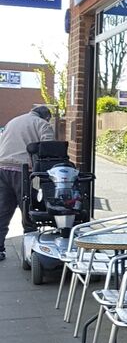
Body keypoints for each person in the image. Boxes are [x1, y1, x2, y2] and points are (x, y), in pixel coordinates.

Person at [0, 104, 54, 260]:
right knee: (29, 209)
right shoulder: (42, 124)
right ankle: (30, 251)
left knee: (2, 211)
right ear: (47, 117)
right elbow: (49, 149)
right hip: (23, 171)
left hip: (2, 168)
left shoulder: (14, 121)